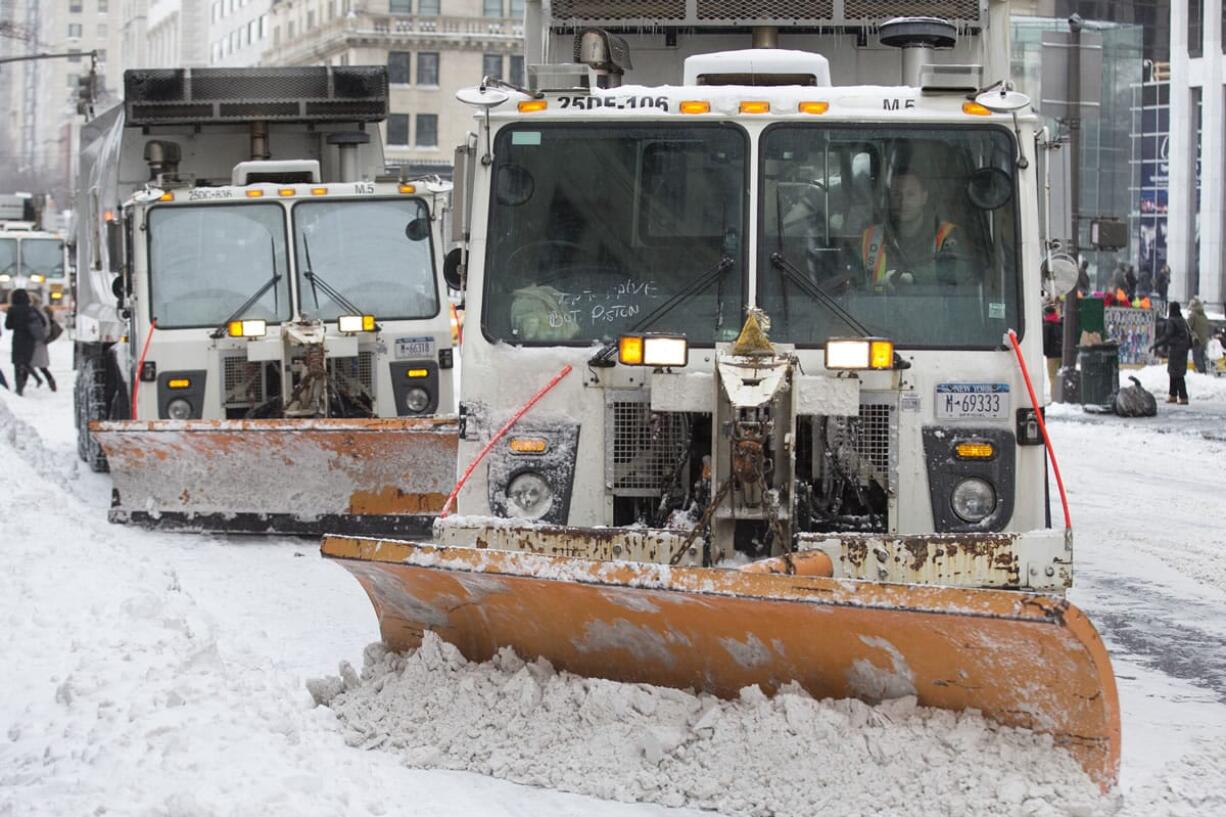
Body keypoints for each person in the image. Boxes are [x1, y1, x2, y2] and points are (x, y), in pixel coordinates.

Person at [859, 170, 963, 291]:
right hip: (873, 308)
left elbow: (959, 269)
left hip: (934, 308)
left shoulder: (947, 233)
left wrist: (912, 277)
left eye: (910, 194)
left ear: (924, 197)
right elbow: (854, 281)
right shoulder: (871, 236)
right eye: (897, 194)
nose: (903, 202)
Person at [1150, 300, 1193, 404]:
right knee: (1175, 373)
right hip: (1183, 350)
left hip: (1175, 350)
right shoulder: (1182, 320)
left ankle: (1183, 396)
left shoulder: (1172, 320)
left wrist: (1155, 345)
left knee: (1176, 374)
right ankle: (1173, 395)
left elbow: (1167, 336)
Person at [5, 288, 42, 396]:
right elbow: (42, 322)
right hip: (30, 339)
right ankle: (36, 378)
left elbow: (8, 326)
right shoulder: (31, 309)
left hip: (18, 338)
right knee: (26, 362)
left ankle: (19, 388)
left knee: (17, 363)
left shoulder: (12, 309)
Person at [1187, 297, 1211, 374]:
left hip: (1197, 340)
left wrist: (1193, 335)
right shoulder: (1204, 316)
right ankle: (1204, 373)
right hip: (1204, 340)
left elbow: (1187, 326)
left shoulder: (1193, 315)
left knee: (1197, 358)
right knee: (1201, 357)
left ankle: (1201, 374)